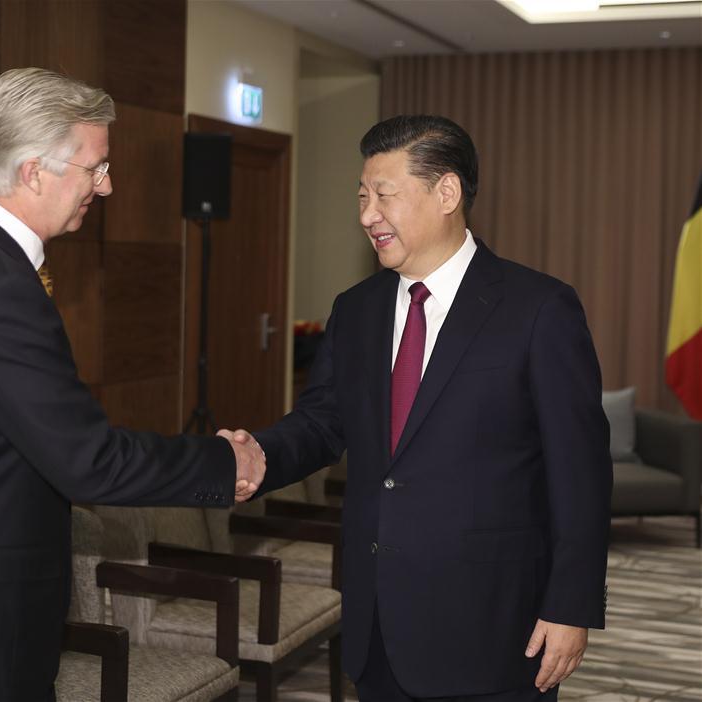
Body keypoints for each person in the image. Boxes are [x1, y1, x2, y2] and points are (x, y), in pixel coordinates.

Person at [0, 67, 265, 702]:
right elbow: (89, 461)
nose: (108, 184)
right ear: (34, 172)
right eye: (94, 167)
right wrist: (220, 459)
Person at [225, 115, 611, 701]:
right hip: (378, 622)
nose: (366, 216)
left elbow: (580, 472)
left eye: (383, 196)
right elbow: (323, 423)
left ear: (447, 192)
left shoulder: (539, 309)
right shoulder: (355, 309)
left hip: (495, 628)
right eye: (361, 197)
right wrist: (261, 455)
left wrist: (571, 606)